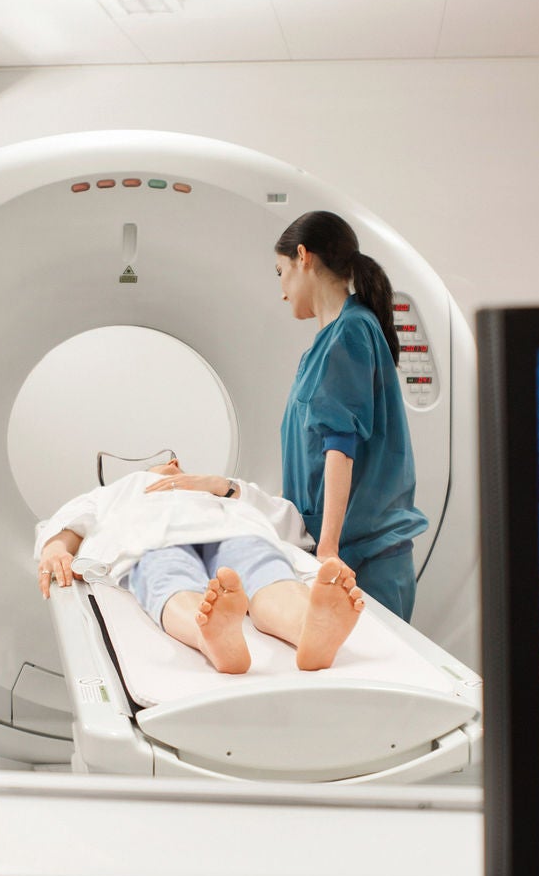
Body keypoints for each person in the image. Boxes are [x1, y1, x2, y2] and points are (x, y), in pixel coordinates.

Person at [35, 459, 366, 674]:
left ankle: (307, 627)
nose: (170, 467)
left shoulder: (218, 489)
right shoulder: (122, 489)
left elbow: (288, 522)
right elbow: (72, 520)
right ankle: (208, 634)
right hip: (153, 538)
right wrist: (55, 548)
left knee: (264, 567)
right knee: (166, 574)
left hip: (234, 529)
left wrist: (222, 486)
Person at [273, 211, 429, 620]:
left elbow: (339, 448)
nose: (282, 291)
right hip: (344, 550)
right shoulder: (328, 341)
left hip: (360, 559)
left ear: (303, 256)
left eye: (280, 272)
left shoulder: (351, 332)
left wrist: (327, 549)